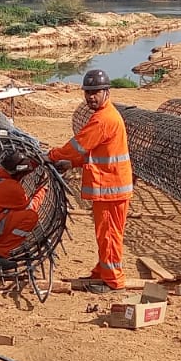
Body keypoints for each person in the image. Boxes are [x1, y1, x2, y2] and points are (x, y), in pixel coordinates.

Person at [48, 69, 133, 293]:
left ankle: (113, 281)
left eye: (95, 92)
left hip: (111, 188)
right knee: (106, 234)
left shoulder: (104, 119)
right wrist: (72, 164)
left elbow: (78, 146)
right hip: (109, 187)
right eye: (88, 92)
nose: (90, 97)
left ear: (106, 92)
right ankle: (101, 272)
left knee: (109, 235)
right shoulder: (103, 115)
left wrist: (52, 156)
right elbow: (93, 153)